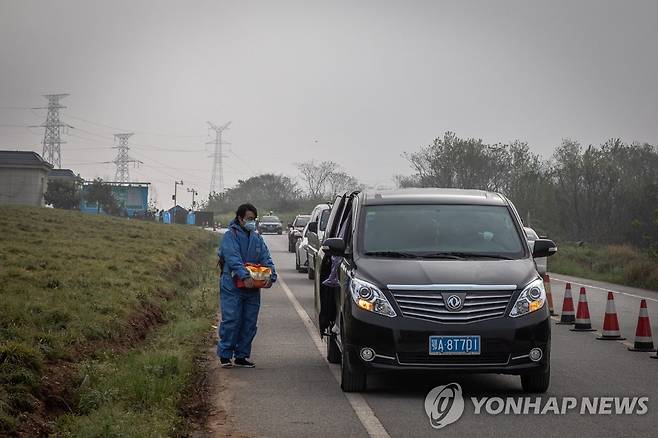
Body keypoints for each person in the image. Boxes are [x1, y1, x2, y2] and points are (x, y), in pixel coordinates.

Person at [217, 203, 276, 368]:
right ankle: (225, 354)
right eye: (249, 219)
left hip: (252, 288)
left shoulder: (257, 238)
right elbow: (232, 258)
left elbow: (266, 259)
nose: (252, 222)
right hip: (232, 286)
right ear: (240, 219)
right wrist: (244, 276)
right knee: (232, 320)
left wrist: (271, 276)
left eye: (254, 219)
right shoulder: (230, 236)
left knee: (249, 322)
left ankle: (242, 355)